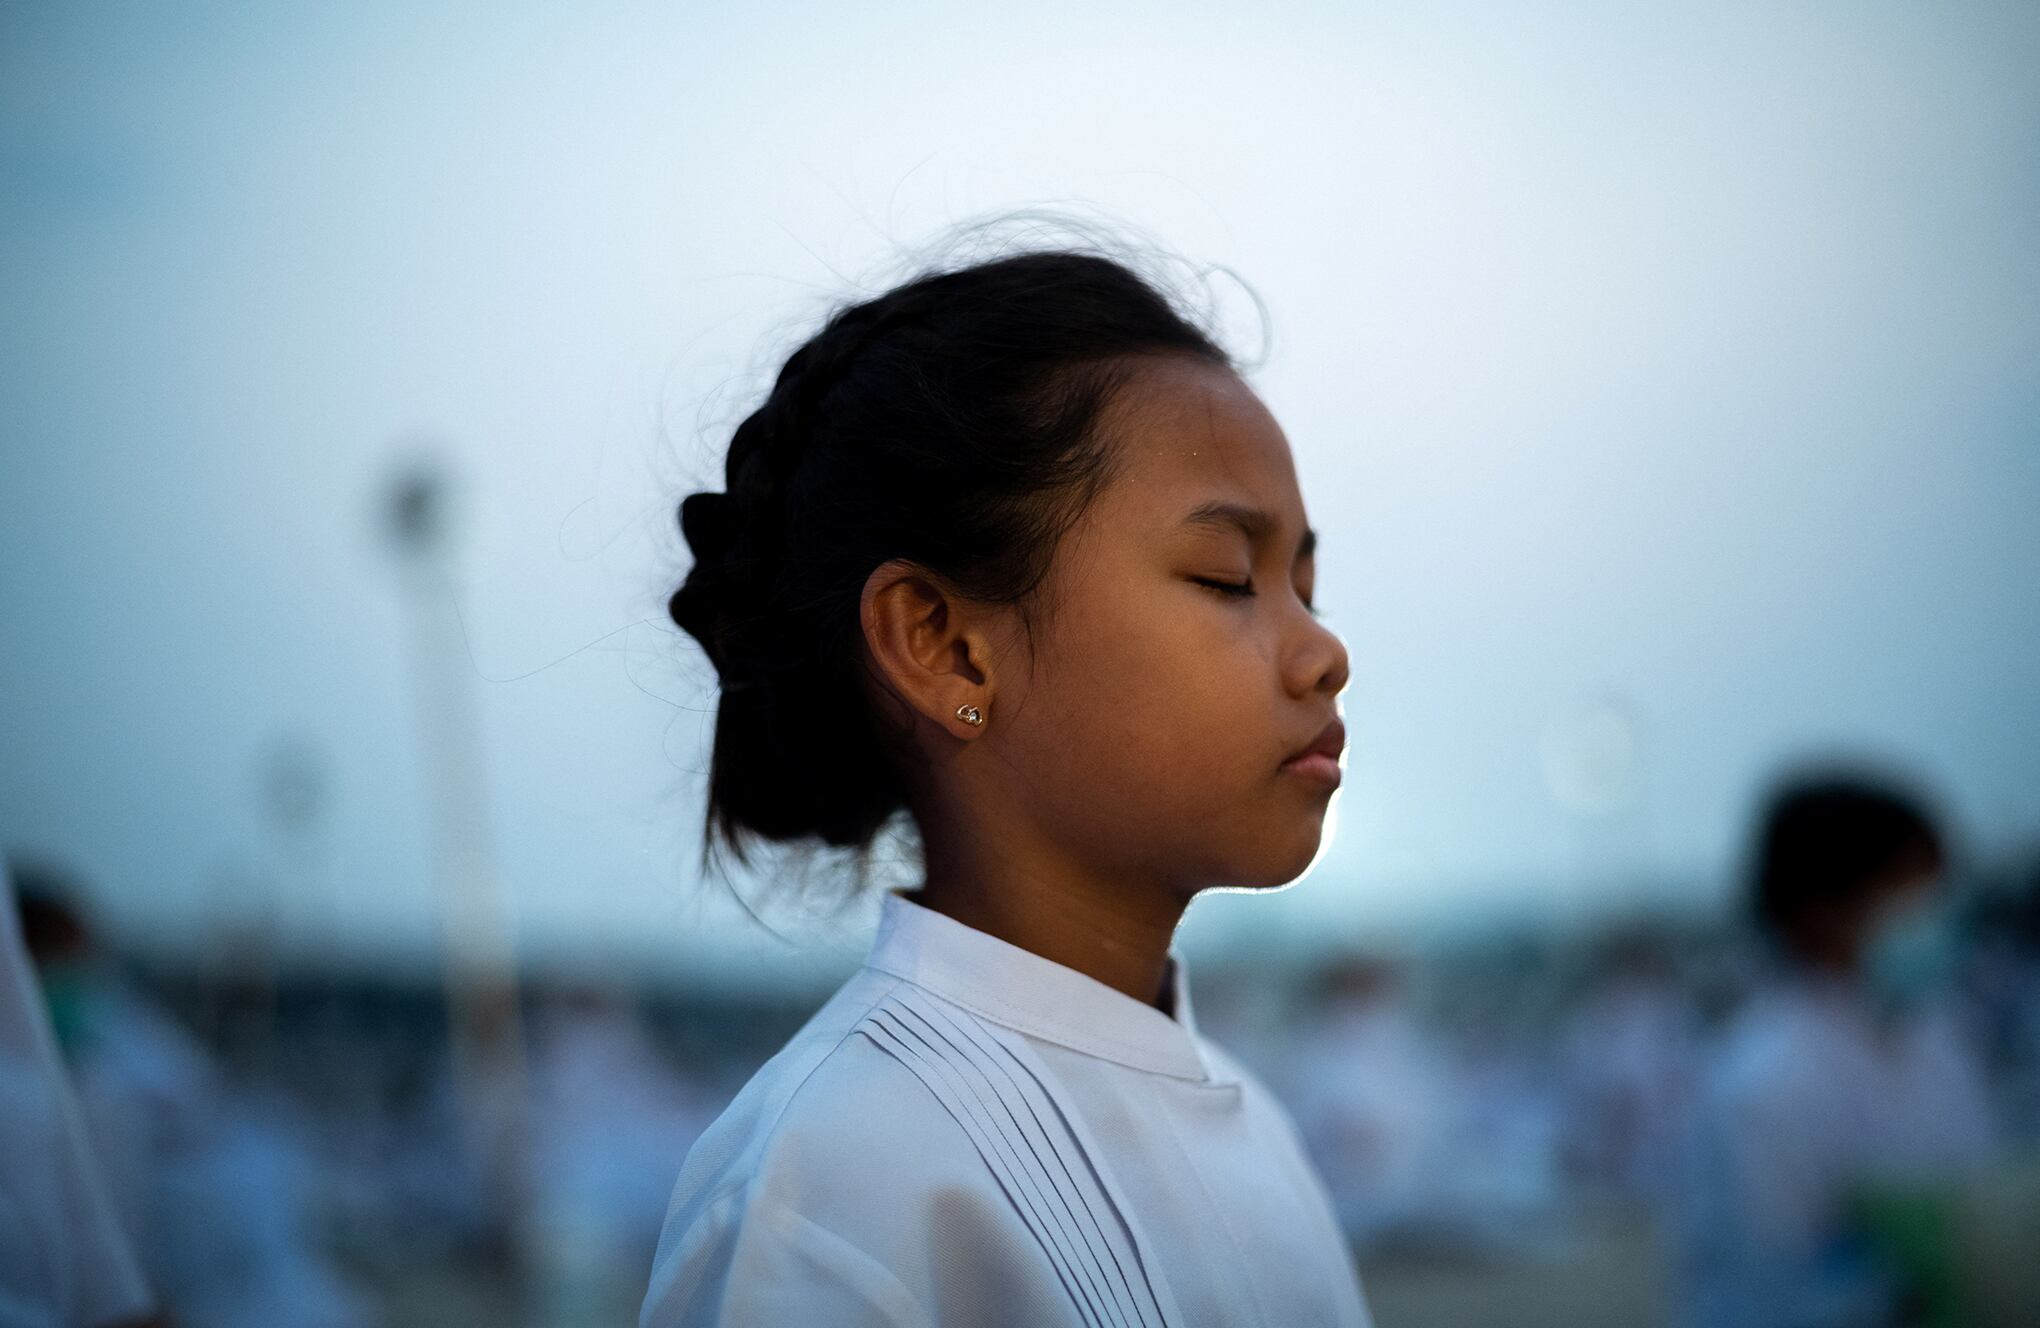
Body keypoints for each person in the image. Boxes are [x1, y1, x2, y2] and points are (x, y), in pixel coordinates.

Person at [640, 231, 1370, 1327]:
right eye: (1228, 577)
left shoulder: (1260, 1129)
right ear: (946, 648)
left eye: (1303, 587)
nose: (1322, 651)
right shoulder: (830, 1192)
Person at [1680, 767, 2002, 1328]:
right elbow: (1781, 1289)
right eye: (1910, 894)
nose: (1935, 915)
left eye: (1939, 892)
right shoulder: (1767, 1084)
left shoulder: (1939, 1037)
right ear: (1815, 911)